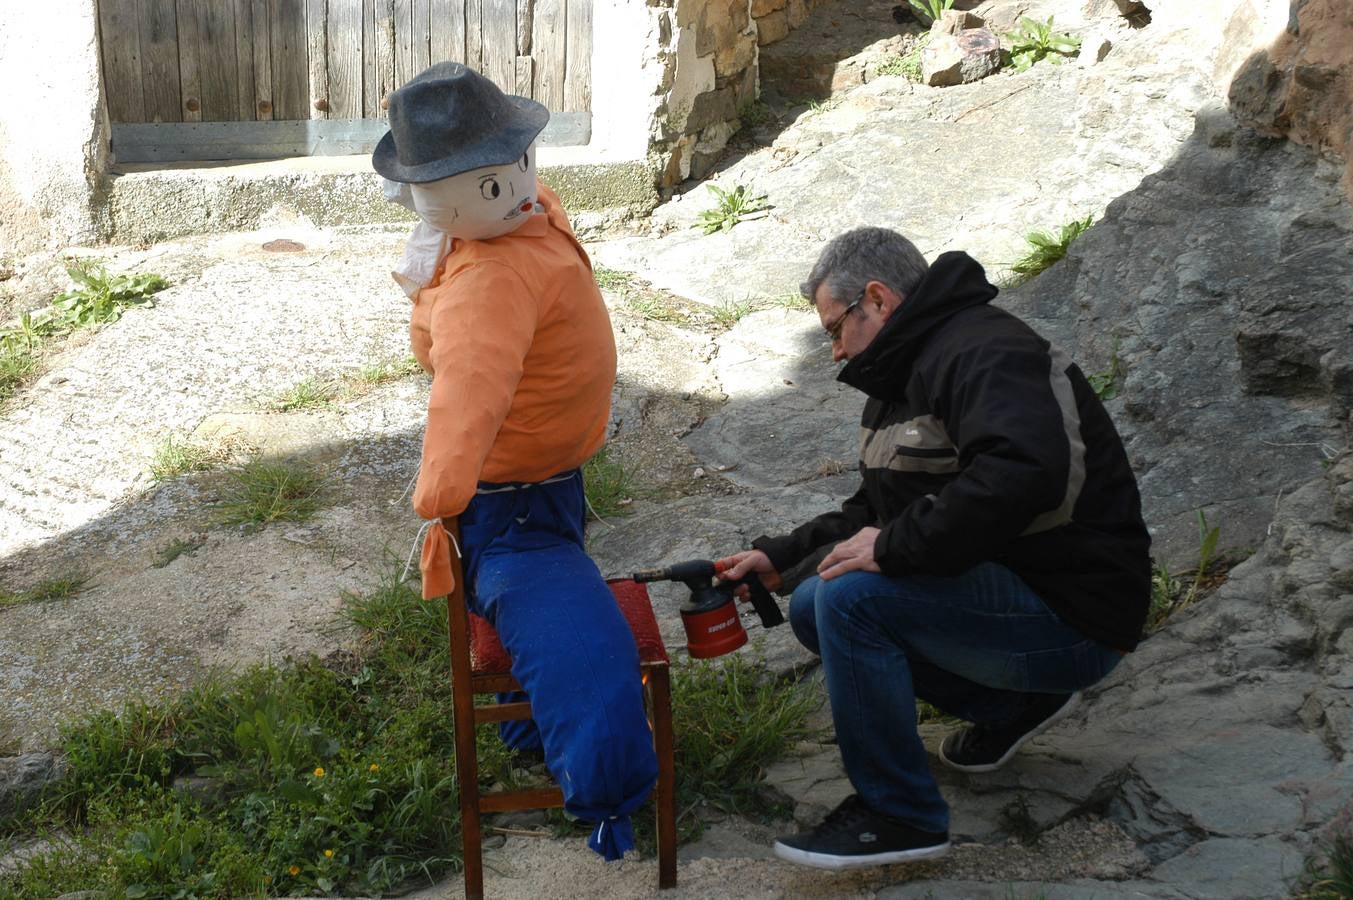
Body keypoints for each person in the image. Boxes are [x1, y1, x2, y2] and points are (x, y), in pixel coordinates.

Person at [718, 226, 1151, 870]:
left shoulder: (985, 349)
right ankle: (1013, 705)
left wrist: (893, 548)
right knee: (812, 602)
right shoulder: (904, 377)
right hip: (1016, 596)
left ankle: (900, 815)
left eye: (835, 328)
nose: (835, 351)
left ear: (878, 300)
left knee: (848, 601)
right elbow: (876, 513)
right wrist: (783, 558)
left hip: (1076, 612)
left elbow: (1024, 472)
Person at [372, 62, 656, 861]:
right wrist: (439, 495)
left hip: (548, 486)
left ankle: (531, 728)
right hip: (512, 505)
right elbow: (467, 397)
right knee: (577, 639)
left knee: (550, 608)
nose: (527, 183)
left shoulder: (522, 218)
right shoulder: (487, 280)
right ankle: (606, 790)